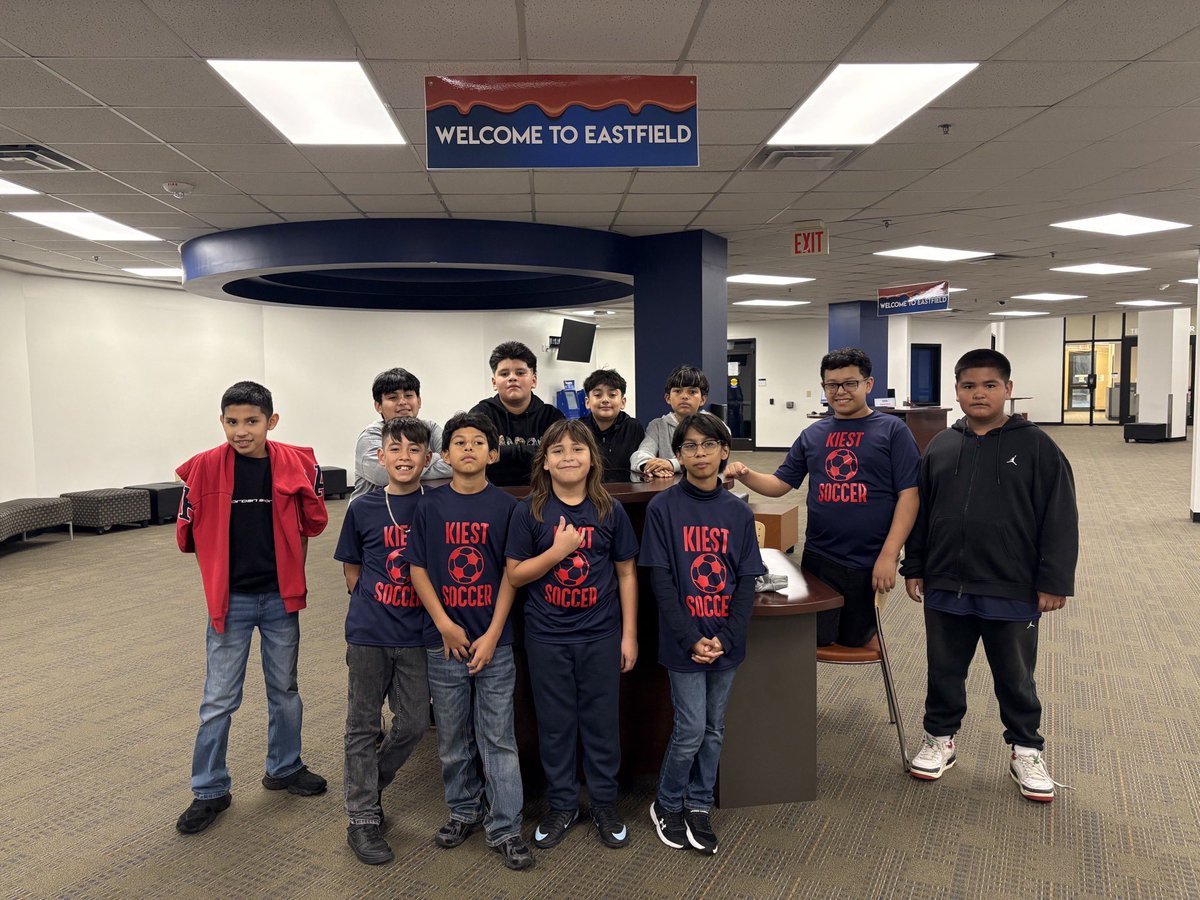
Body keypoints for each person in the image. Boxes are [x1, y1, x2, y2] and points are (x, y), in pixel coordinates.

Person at [901, 349, 1078, 802]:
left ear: (1008, 390)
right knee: (943, 669)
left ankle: (1026, 749)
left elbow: (1059, 517)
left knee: (1015, 675)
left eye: (989, 385)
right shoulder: (941, 444)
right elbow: (921, 513)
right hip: (946, 583)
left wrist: (1054, 580)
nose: (979, 394)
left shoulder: (1037, 446)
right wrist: (915, 566)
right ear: (957, 391)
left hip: (1011, 587)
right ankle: (939, 739)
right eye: (968, 386)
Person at [174, 381, 328, 835]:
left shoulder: (296, 463)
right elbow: (186, 534)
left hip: (280, 596)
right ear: (221, 421)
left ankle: (284, 767)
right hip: (232, 599)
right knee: (218, 699)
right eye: (232, 422)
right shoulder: (204, 468)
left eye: (252, 421)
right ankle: (208, 789)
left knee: (285, 688)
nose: (241, 431)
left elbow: (314, 522)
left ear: (271, 421)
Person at [403, 411, 534, 870]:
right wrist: (443, 623)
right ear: (445, 455)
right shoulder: (429, 506)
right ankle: (464, 810)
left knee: (497, 736)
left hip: (494, 643)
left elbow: (510, 576)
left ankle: (505, 827)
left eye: (479, 442)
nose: (469, 449)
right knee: (454, 737)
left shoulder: (508, 508)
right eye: (459, 442)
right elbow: (418, 568)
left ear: (493, 454)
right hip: (443, 643)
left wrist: (493, 634)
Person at [726, 347, 920, 648]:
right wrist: (746, 474)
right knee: (816, 640)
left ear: (868, 385)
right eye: (832, 385)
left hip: (868, 559)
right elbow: (780, 484)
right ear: (823, 387)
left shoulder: (893, 431)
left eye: (849, 383)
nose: (840, 391)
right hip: (819, 556)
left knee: (858, 640)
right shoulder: (813, 434)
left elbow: (909, 496)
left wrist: (889, 554)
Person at [505, 419, 639, 850]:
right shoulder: (528, 512)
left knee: (601, 721)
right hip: (546, 637)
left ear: (592, 460)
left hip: (601, 635)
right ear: (543, 463)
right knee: (556, 723)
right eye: (557, 451)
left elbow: (626, 573)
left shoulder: (608, 510)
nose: (568, 457)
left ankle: (603, 802)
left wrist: (629, 635)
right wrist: (558, 552)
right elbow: (516, 574)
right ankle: (562, 803)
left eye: (577, 450)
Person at [641, 414, 765, 855]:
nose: (699, 454)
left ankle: (698, 803)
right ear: (677, 455)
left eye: (708, 445)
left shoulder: (737, 511)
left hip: (726, 640)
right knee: (691, 729)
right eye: (689, 447)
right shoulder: (663, 508)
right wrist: (693, 637)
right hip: (683, 642)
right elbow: (661, 582)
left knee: (714, 729)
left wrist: (726, 638)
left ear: (724, 451)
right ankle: (668, 802)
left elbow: (747, 581)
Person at [334, 417, 434, 865]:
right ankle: (363, 818)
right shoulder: (363, 507)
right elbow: (352, 569)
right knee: (362, 725)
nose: (405, 457)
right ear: (381, 457)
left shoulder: (436, 507)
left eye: (414, 450)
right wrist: (374, 605)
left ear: (428, 459)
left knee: (413, 723)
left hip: (416, 635)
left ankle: (370, 783)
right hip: (370, 633)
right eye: (396, 449)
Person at [470, 341, 565, 486]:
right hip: (492, 495)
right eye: (504, 373)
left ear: (533, 380)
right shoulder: (480, 415)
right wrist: (535, 451)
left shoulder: (552, 417)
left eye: (520, 373)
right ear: (494, 382)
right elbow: (474, 454)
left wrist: (500, 452)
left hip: (543, 494)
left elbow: (561, 455)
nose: (512, 378)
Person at [351, 367, 451, 500]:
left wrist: (407, 467)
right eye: (393, 397)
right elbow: (384, 475)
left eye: (409, 395)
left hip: (418, 510)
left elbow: (457, 463)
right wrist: (434, 458)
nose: (403, 402)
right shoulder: (370, 437)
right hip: (374, 512)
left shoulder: (430, 428)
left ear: (419, 401)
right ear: (378, 406)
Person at [630, 365, 712, 478]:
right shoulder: (657, 425)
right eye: (678, 391)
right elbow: (640, 454)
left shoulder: (713, 425)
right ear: (668, 398)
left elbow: (709, 458)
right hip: (669, 489)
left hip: (704, 488)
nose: (684, 396)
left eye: (692, 392)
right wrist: (648, 466)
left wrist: (672, 464)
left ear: (703, 399)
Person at [580, 368, 645, 483]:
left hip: (629, 494)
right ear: (587, 402)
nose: (605, 400)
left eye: (612, 395)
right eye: (598, 395)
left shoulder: (633, 427)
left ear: (623, 402)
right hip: (589, 493)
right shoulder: (579, 429)